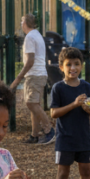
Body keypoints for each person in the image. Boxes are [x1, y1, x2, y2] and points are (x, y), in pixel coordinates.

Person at [49, 47, 90, 179]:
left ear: (81, 66)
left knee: (86, 171)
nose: (73, 68)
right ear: (61, 67)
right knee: (63, 172)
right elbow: (54, 113)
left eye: (76, 64)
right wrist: (74, 104)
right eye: (69, 64)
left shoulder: (86, 86)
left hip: (83, 138)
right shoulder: (58, 88)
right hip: (65, 139)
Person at [10, 13, 54, 144]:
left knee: (31, 103)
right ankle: (34, 135)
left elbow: (30, 61)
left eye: (21, 22)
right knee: (34, 104)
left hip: (34, 74)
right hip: (40, 73)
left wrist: (18, 78)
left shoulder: (29, 37)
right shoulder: (38, 35)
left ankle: (49, 130)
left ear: (24, 23)